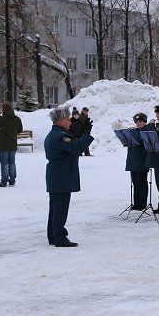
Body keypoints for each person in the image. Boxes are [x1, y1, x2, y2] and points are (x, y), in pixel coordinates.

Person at [44, 106, 94, 247]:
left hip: (57, 175)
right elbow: (76, 148)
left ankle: (53, 235)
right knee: (60, 208)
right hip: (61, 176)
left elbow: (72, 144)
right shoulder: (60, 136)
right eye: (67, 120)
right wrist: (86, 134)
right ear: (59, 121)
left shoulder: (55, 134)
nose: (70, 122)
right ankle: (59, 237)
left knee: (55, 208)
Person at [0, 101, 22, 187]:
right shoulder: (17, 119)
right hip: (12, 143)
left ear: (3, 109)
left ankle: (4, 181)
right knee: (12, 162)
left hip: (2, 144)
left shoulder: (1, 118)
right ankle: (12, 180)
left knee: (4, 163)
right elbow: (20, 130)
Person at [126, 112, 149, 210]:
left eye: (141, 122)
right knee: (135, 182)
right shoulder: (133, 131)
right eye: (137, 122)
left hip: (142, 160)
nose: (139, 124)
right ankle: (136, 203)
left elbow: (139, 140)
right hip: (133, 160)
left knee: (142, 182)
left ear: (145, 122)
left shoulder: (146, 131)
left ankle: (142, 203)